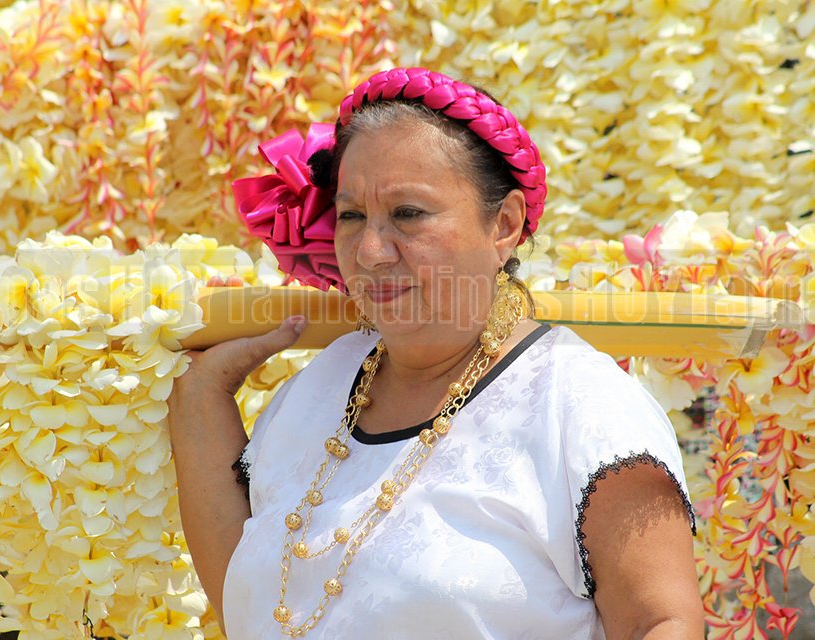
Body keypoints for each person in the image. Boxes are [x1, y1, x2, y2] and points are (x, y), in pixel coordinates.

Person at [167, 68, 703, 639]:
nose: (371, 252)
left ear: (504, 225)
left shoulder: (581, 406)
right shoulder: (323, 385)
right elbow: (255, 604)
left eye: (408, 214)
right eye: (351, 216)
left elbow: (661, 622)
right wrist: (201, 395)